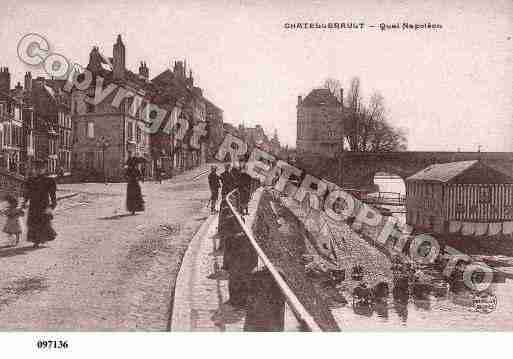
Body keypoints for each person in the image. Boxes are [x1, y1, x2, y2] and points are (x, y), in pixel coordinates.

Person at [22, 160, 57, 248]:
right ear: (34, 169)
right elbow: (28, 193)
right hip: (34, 204)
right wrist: (24, 202)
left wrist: (53, 203)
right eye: (36, 168)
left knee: (43, 222)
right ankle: (36, 241)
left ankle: (41, 239)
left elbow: (52, 193)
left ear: (45, 169)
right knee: (34, 223)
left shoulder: (49, 180)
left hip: (44, 204)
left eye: (41, 168)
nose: (38, 170)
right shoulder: (31, 180)